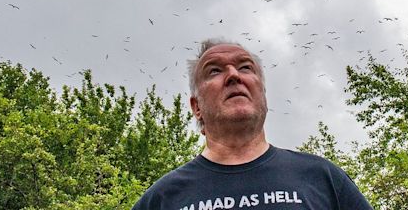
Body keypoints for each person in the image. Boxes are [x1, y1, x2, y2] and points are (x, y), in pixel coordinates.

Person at [132, 39, 373, 209]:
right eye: (214, 71)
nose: (233, 75)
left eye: (245, 67)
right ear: (196, 107)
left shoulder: (323, 178)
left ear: (263, 95)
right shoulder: (162, 198)